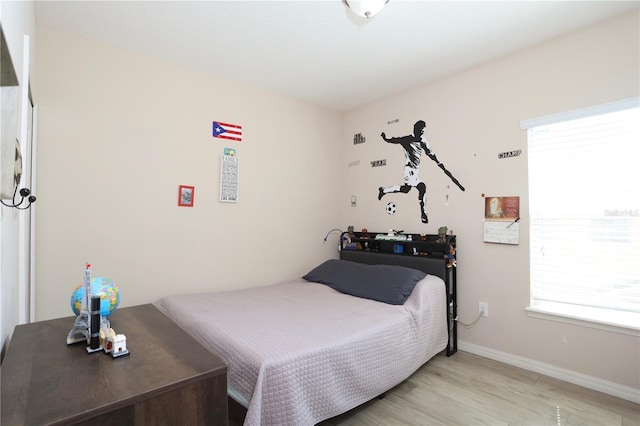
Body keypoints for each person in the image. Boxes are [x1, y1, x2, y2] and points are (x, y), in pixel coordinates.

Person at [378, 120, 437, 223]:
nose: (422, 133)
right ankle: (423, 213)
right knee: (422, 187)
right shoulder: (407, 140)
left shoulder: (422, 140)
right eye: (421, 131)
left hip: (415, 171)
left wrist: (437, 161)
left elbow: (429, 152)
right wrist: (385, 138)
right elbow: (394, 140)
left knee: (406, 189)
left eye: (423, 131)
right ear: (416, 130)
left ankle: (384, 190)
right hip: (409, 170)